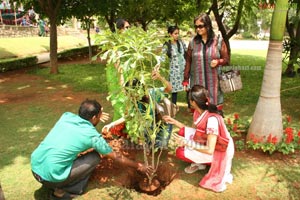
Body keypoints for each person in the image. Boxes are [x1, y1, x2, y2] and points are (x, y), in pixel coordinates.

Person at [31, 99, 152, 200]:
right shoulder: (93, 137)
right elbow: (115, 156)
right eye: (99, 115)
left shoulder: (66, 116)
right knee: (94, 157)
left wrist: (95, 117)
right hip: (51, 177)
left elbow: (84, 122)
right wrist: (138, 165)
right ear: (94, 117)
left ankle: (55, 183)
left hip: (35, 168)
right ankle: (62, 192)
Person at [163, 85, 234, 192]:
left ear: (193, 102)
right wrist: (174, 121)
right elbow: (195, 132)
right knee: (183, 132)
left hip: (220, 151)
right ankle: (200, 163)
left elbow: (210, 150)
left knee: (180, 152)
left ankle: (205, 163)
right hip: (209, 143)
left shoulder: (212, 121)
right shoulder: (198, 112)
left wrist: (187, 143)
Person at [102, 69, 173, 148]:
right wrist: (111, 124)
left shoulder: (152, 93)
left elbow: (169, 88)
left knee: (161, 145)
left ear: (138, 92)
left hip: (163, 122)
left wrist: (160, 77)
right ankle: (150, 144)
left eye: (130, 94)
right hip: (149, 124)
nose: (129, 96)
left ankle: (158, 145)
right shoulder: (134, 101)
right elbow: (129, 116)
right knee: (147, 137)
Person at [183, 13, 230, 113]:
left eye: (200, 26)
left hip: (214, 84)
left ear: (207, 25)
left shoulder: (218, 41)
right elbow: (188, 61)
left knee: (214, 115)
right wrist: (186, 79)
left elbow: (226, 59)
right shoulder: (193, 42)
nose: (198, 29)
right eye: (196, 27)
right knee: (199, 115)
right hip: (198, 84)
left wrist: (218, 61)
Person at [161, 25, 187, 105]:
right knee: (174, 90)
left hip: (184, 69)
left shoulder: (181, 43)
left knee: (188, 88)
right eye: (175, 33)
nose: (177, 35)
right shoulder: (167, 45)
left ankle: (191, 106)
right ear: (170, 34)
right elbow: (162, 57)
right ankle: (174, 107)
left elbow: (187, 52)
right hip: (174, 71)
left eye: (178, 33)